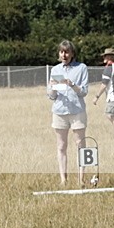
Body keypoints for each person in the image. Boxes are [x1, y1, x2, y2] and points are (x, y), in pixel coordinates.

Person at [47, 39, 88, 186]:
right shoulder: (55, 70)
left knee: (80, 145)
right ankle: (63, 180)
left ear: (72, 53)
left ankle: (81, 179)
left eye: (67, 52)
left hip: (77, 111)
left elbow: (84, 92)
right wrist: (52, 87)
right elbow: (51, 96)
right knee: (61, 146)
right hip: (59, 111)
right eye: (61, 52)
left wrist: (72, 84)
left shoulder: (81, 68)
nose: (64, 55)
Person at [92, 47, 114, 139]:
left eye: (105, 56)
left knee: (110, 114)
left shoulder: (109, 69)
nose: (104, 58)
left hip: (113, 97)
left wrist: (96, 96)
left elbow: (104, 84)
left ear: (109, 57)